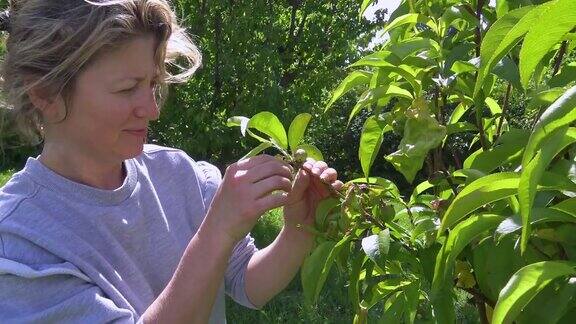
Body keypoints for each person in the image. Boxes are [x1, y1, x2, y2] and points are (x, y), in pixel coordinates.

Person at [0, 1, 343, 323]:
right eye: (126, 89)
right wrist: (216, 232)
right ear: (44, 92)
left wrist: (298, 230)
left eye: (153, 84)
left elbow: (246, 281)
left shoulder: (178, 174)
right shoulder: (20, 241)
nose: (152, 110)